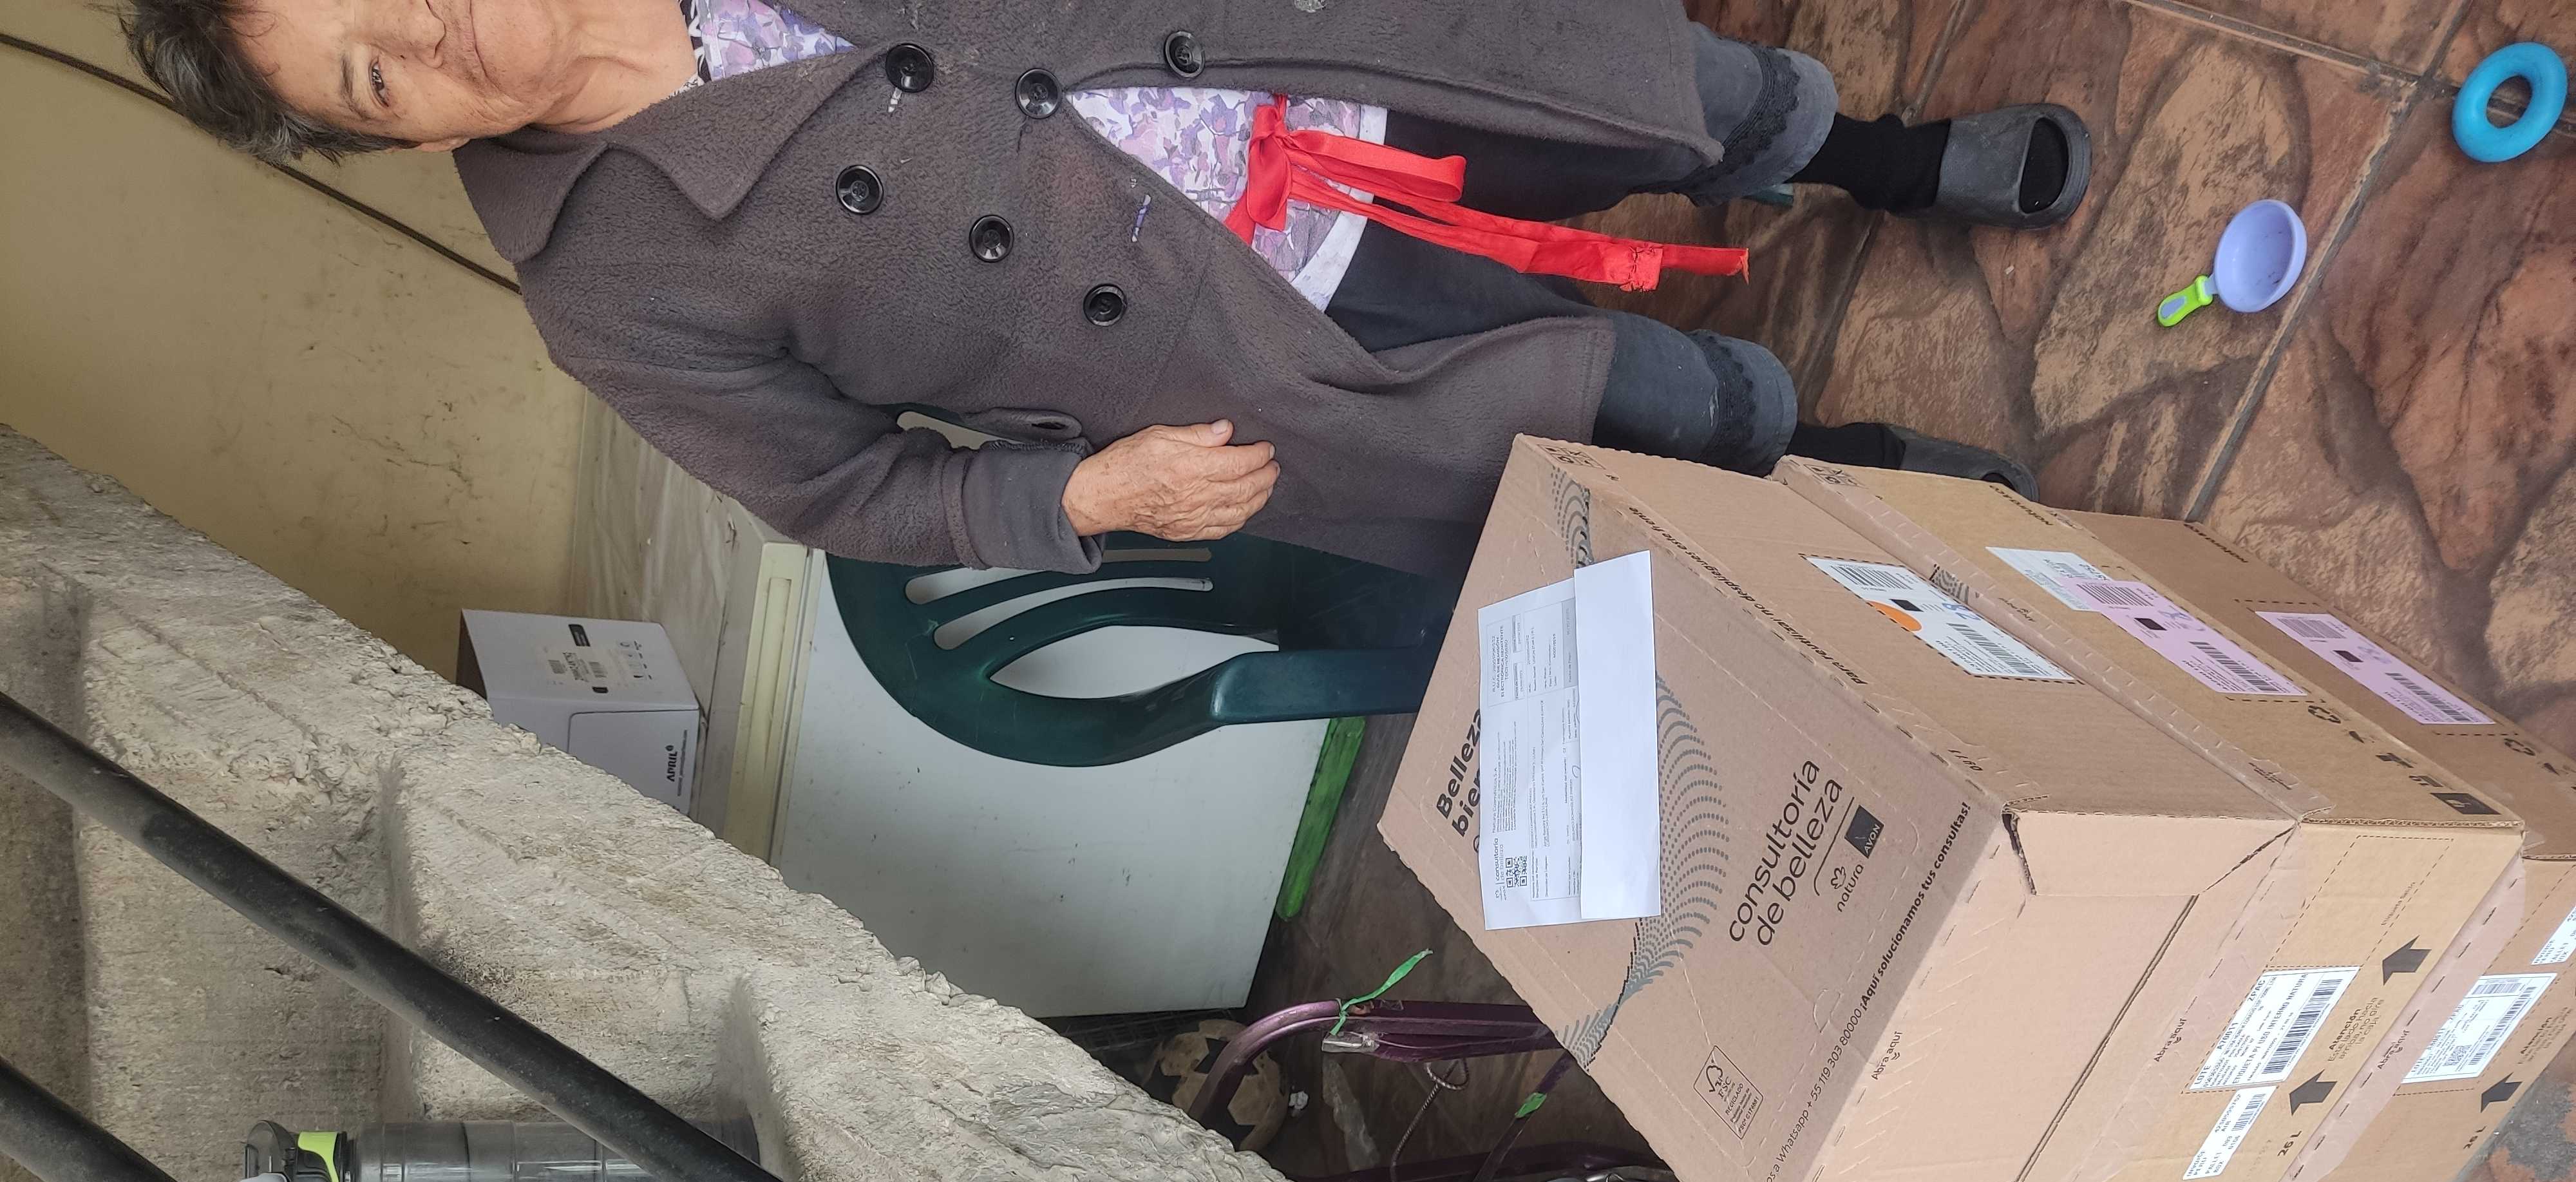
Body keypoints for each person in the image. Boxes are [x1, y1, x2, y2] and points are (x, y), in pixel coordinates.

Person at [128, 0, 2090, 578]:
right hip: (1234, 318)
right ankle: (1832, 466)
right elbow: (841, 491)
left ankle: (1891, 158)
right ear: (386, 141)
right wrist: (1076, 496)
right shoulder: (602, 288)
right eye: (370, 76)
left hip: (1279, 43)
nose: (431, 35)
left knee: (1646, 93)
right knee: (1620, 410)